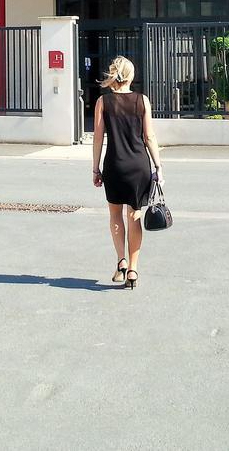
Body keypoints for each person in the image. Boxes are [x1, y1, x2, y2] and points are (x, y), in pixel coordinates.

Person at [91, 55, 163, 290]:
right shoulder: (142, 101)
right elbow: (149, 136)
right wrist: (158, 165)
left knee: (115, 215)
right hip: (139, 166)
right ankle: (133, 268)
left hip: (114, 165)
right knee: (135, 215)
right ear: (131, 76)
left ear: (114, 76)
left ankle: (120, 261)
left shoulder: (104, 102)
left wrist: (95, 168)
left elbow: (98, 139)